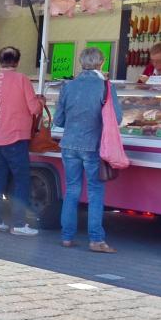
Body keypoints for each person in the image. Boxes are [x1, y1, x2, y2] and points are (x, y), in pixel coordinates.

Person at [53, 46, 122, 254]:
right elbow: (116, 119)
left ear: (81, 63)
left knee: (72, 190)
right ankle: (96, 240)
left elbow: (58, 120)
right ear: (102, 63)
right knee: (95, 192)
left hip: (68, 145)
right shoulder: (106, 87)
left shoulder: (68, 86)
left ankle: (66, 237)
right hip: (93, 146)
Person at [0, 46, 43, 236]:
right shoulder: (22, 80)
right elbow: (34, 109)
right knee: (21, 180)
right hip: (15, 137)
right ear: (17, 62)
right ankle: (19, 224)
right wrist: (40, 101)